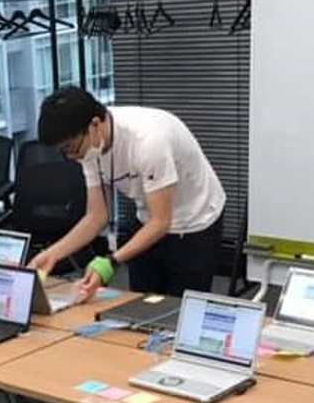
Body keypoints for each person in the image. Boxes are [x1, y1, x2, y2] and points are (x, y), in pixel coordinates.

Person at [28, 87, 227, 300]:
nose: (71, 157)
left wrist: (110, 261)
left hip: (195, 220)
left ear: (94, 124)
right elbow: (97, 216)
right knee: (140, 304)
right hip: (149, 218)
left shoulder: (149, 141)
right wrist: (53, 254)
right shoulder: (89, 148)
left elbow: (161, 222)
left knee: (179, 307)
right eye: (64, 152)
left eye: (71, 148)